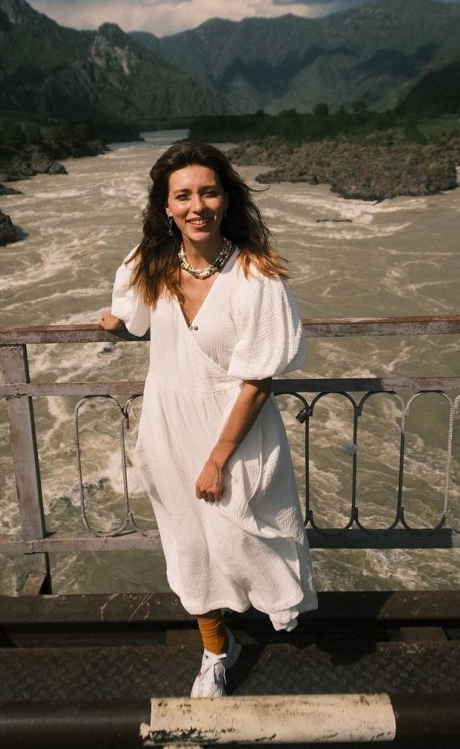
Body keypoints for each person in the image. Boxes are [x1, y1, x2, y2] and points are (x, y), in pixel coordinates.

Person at [99, 141, 317, 698]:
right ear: (166, 206)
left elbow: (259, 380)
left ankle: (258, 624)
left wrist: (218, 459)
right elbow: (137, 320)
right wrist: (117, 324)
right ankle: (217, 650)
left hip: (234, 432)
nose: (197, 205)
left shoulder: (256, 279)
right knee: (190, 547)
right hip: (169, 424)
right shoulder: (150, 263)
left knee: (243, 537)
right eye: (184, 195)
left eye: (209, 191)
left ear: (226, 200)